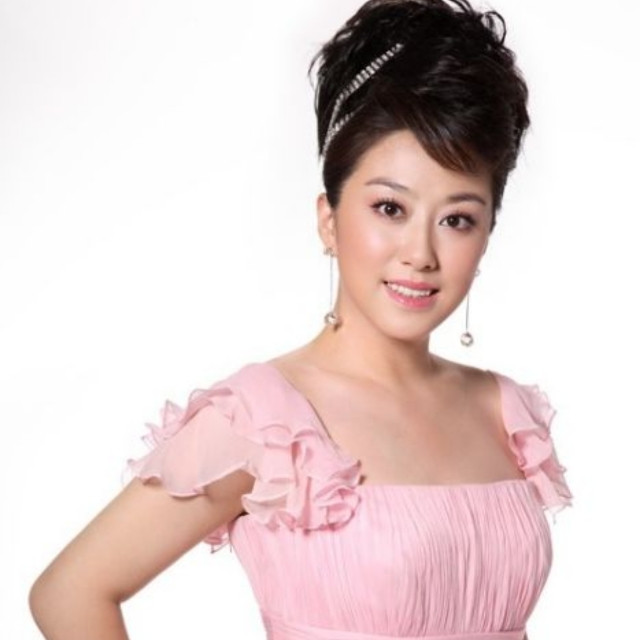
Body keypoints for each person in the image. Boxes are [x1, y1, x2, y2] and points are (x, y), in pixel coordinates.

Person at [28, 0, 573, 638]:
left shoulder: (503, 412)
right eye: (390, 208)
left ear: (486, 235)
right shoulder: (267, 421)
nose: (421, 253)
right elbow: (70, 593)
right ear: (328, 220)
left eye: (457, 219)